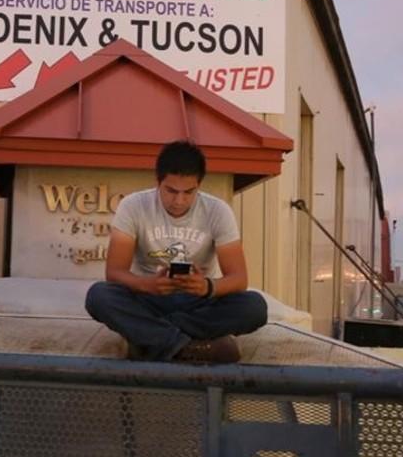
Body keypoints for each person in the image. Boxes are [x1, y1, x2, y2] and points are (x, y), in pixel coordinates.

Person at [85, 140, 267, 363]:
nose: (179, 201)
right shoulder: (133, 206)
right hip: (149, 297)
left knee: (254, 307)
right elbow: (114, 273)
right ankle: (188, 346)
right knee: (99, 296)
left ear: (199, 185)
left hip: (198, 304)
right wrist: (148, 284)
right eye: (171, 191)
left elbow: (239, 279)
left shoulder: (218, 211)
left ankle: (150, 339)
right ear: (158, 182)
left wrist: (208, 287)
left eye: (188, 192)